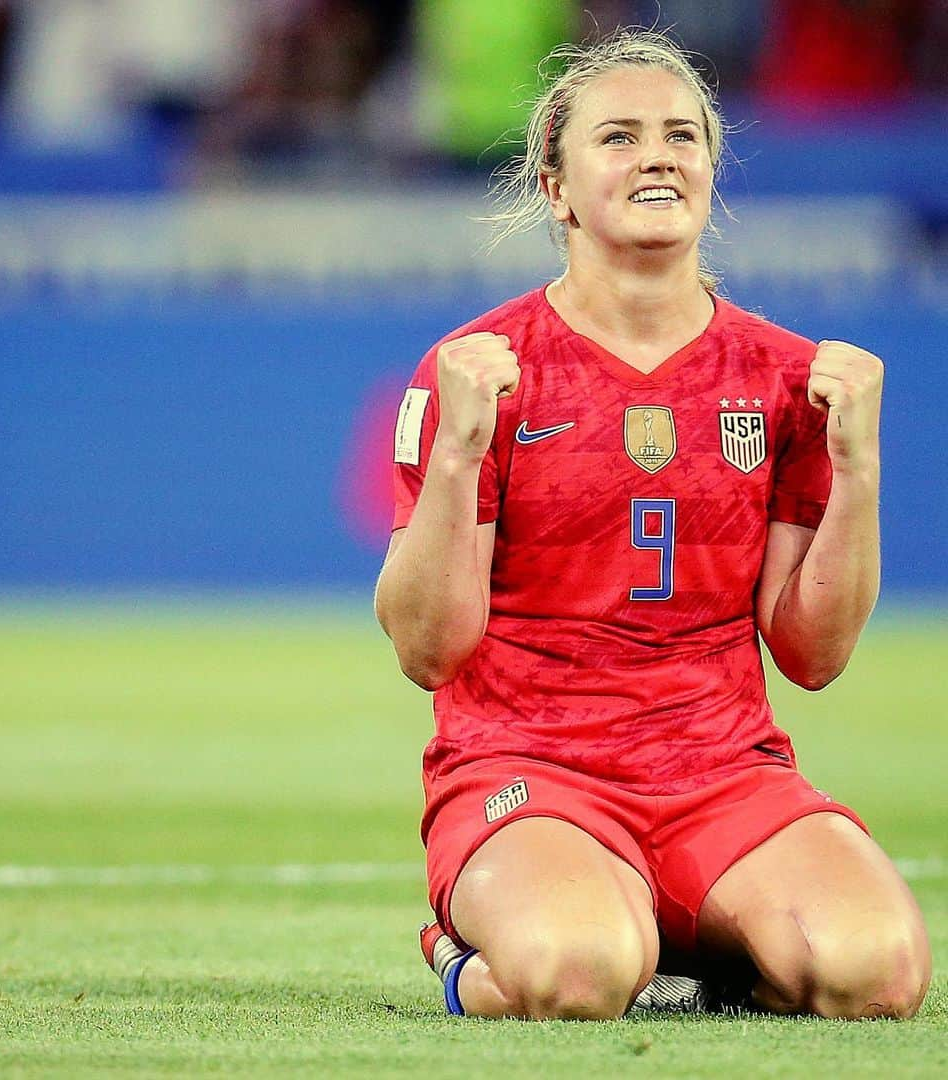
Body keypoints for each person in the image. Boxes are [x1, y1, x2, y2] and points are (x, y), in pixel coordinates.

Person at [373, 27, 931, 1021]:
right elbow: (427, 649)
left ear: (713, 171)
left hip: (722, 776)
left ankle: (684, 944)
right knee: (578, 974)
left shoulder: (785, 379)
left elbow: (815, 653)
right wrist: (458, 457)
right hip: (528, 771)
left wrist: (858, 473)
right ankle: (484, 948)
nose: (658, 155)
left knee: (875, 975)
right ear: (556, 186)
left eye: (681, 135)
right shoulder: (478, 369)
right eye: (619, 137)